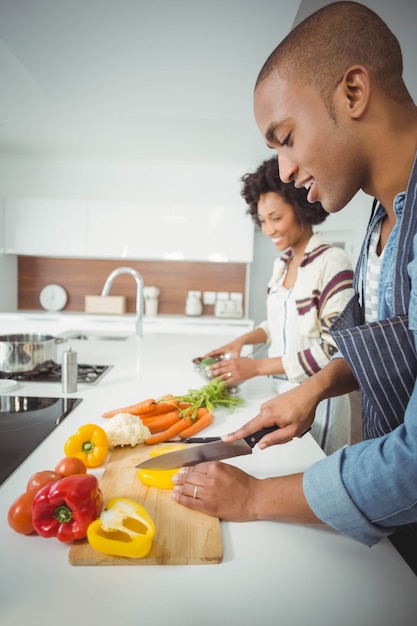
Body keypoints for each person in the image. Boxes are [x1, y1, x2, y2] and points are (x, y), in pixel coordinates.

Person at [172, 1, 417, 573]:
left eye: (285, 137)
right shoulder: (384, 224)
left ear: (353, 92)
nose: (282, 170)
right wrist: (313, 390)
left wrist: (256, 497)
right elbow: (394, 342)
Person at [199, 157, 354, 454]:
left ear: (301, 208)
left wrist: (256, 367)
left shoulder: (332, 262)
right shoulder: (281, 265)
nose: (268, 229)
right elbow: (281, 323)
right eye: (262, 220)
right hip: (278, 394)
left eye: (276, 217)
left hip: (317, 401)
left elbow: (335, 350)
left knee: (310, 480)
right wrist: (242, 340)